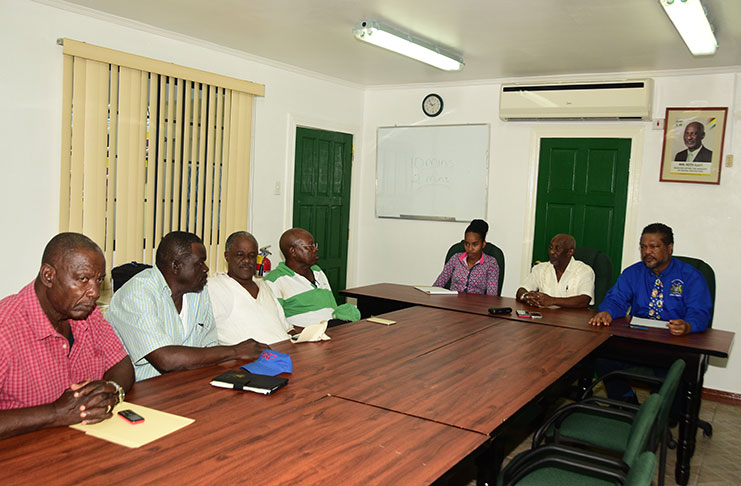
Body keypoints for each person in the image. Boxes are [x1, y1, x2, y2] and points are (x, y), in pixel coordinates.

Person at [0, 233, 134, 440]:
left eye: (98, 280)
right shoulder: (5, 327)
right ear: (48, 276)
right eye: (83, 279)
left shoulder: (89, 315)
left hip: (84, 447)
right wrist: (55, 413)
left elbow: (122, 364)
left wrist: (111, 391)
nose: (94, 292)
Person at [107, 231, 266, 381]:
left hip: (190, 383)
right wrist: (236, 351)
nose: (206, 268)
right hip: (145, 391)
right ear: (176, 266)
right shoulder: (137, 294)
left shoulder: (198, 291)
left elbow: (209, 347)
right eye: (200, 263)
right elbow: (166, 359)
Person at [588, 223, 712, 401]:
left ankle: (661, 413)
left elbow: (700, 311)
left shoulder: (690, 276)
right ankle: (625, 402)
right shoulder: (633, 273)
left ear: (669, 248)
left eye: (654, 247)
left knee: (675, 374)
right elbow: (616, 299)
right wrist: (606, 311)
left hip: (673, 342)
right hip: (639, 338)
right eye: (643, 247)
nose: (647, 252)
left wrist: (687, 325)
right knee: (602, 355)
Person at [209, 231, 295, 345]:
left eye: (252, 256)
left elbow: (287, 327)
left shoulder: (264, 285)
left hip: (285, 353)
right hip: (249, 360)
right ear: (227, 256)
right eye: (240, 255)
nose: (246, 261)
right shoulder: (214, 287)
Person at [265, 228, 360, 328]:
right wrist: (310, 332)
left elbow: (332, 307)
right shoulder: (275, 281)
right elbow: (275, 322)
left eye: (315, 245)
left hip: (331, 329)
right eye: (310, 247)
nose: (315, 249)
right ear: (293, 251)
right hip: (306, 336)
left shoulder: (317, 271)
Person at [515, 234, 594, 308]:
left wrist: (552, 300)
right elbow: (521, 290)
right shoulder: (541, 269)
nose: (551, 252)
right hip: (544, 318)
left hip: (571, 320)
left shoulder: (584, 271)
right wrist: (526, 296)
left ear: (570, 252)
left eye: (558, 249)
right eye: (551, 247)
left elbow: (584, 300)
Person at [433, 219, 500, 295]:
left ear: (483, 244)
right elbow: (438, 284)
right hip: (452, 303)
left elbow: (491, 296)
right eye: (467, 244)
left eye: (475, 244)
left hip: (476, 304)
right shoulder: (456, 258)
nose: (470, 249)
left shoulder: (491, 263)